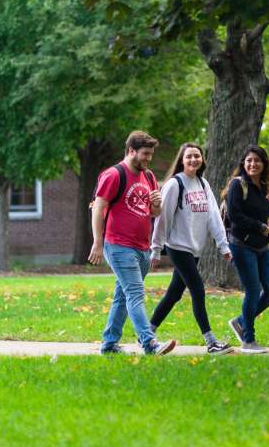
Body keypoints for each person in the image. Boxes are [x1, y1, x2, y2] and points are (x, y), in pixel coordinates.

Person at [89, 131, 177, 356]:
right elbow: (98, 208)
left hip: (141, 247)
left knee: (123, 295)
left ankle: (109, 345)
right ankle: (149, 343)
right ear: (131, 151)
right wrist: (97, 243)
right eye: (145, 154)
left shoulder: (148, 177)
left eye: (151, 155)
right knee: (136, 293)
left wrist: (157, 204)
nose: (148, 159)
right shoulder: (113, 175)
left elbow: (153, 212)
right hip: (118, 245)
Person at [149, 143, 234, 355]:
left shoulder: (203, 184)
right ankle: (211, 342)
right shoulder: (174, 184)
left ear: (202, 160)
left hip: (195, 249)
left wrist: (223, 244)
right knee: (198, 289)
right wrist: (156, 249)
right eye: (189, 156)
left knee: (174, 294)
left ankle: (147, 334)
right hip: (178, 246)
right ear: (182, 160)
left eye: (197, 156)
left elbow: (214, 216)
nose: (193, 159)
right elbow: (163, 219)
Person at [223, 145, 269, 354]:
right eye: (249, 160)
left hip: (262, 246)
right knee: (253, 290)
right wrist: (261, 226)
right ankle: (248, 340)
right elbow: (235, 215)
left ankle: (240, 322)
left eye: (257, 160)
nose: (252, 164)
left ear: (264, 164)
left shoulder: (266, 186)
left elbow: (268, 215)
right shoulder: (237, 185)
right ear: (243, 163)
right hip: (242, 245)